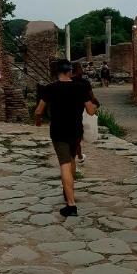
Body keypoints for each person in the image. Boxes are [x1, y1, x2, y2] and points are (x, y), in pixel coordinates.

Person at [35, 59, 97, 218]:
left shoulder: (50, 88)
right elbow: (90, 111)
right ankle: (70, 190)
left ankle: (71, 204)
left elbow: (38, 111)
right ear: (70, 71)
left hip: (58, 130)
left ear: (57, 72)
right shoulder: (80, 87)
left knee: (64, 164)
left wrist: (38, 121)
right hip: (76, 130)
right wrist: (95, 106)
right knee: (71, 159)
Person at [72, 62, 100, 164]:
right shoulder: (84, 83)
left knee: (74, 137)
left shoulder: (65, 82)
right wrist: (96, 104)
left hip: (66, 112)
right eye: (81, 68)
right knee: (77, 137)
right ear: (78, 69)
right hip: (79, 111)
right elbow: (91, 96)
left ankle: (78, 156)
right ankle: (77, 157)